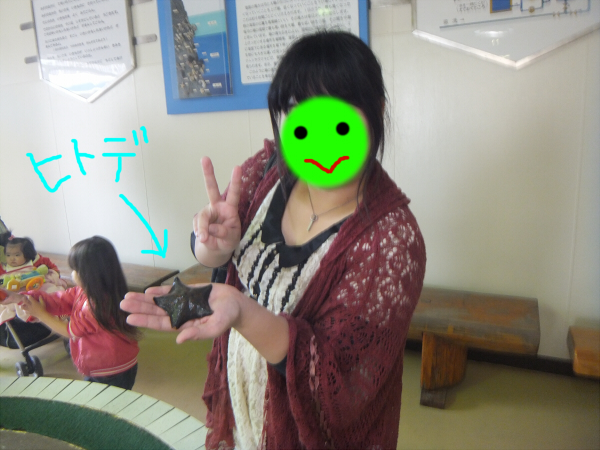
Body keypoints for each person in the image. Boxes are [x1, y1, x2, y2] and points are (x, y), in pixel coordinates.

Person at [121, 30, 426, 449]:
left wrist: (242, 313)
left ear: (376, 111)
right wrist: (213, 246)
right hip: (243, 399)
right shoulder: (266, 170)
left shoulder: (391, 241)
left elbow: (340, 388)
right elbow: (214, 256)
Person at [2, 236, 140, 390]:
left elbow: (69, 331)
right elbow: (58, 300)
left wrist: (40, 314)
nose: (72, 274)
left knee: (107, 402)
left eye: (75, 270)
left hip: (111, 371)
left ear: (90, 274)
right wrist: (21, 298)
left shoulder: (98, 305)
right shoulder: (84, 291)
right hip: (102, 366)